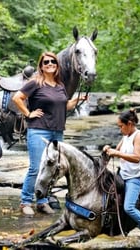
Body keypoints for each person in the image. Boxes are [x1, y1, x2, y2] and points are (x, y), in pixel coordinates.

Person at [12, 51, 87, 216]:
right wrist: (28, 113)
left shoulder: (60, 85)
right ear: (41, 66)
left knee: (50, 169)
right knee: (36, 168)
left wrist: (77, 101)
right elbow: (17, 97)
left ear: (57, 65)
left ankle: (42, 201)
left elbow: (64, 106)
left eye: (53, 61)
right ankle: (25, 201)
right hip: (39, 130)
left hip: (57, 132)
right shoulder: (35, 83)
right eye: (46, 62)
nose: (50, 64)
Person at [103, 109, 140, 239]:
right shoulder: (125, 136)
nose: (120, 129)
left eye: (121, 126)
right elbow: (117, 151)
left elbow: (136, 157)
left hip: (135, 178)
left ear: (130, 124)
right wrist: (108, 149)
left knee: (129, 207)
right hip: (122, 174)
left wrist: (116, 153)